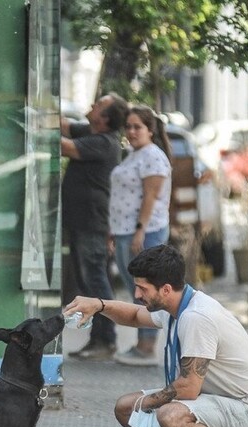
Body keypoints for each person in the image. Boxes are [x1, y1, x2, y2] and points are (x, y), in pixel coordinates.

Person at [64, 244, 248, 427]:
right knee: (126, 409)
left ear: (166, 289)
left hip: (244, 413)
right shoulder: (177, 304)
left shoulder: (197, 317)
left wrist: (148, 405)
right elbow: (135, 315)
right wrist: (99, 304)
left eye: (142, 289)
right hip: (214, 402)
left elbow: (188, 388)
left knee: (169, 415)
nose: (137, 294)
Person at [61, 92, 129, 360]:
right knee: (88, 280)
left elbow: (65, 146)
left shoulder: (104, 142)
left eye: (99, 105)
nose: (92, 105)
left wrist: (37, 129)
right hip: (81, 221)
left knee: (95, 280)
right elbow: (64, 126)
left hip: (92, 222)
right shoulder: (90, 130)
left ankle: (106, 338)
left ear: (106, 119)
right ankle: (98, 338)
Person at [109, 105, 172, 366]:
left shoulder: (153, 157)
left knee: (146, 287)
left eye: (138, 127)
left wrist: (140, 231)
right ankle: (140, 342)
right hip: (123, 229)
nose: (132, 131)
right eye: (129, 126)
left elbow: (151, 196)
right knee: (135, 288)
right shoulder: (133, 155)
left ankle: (147, 345)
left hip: (144, 231)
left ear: (150, 130)